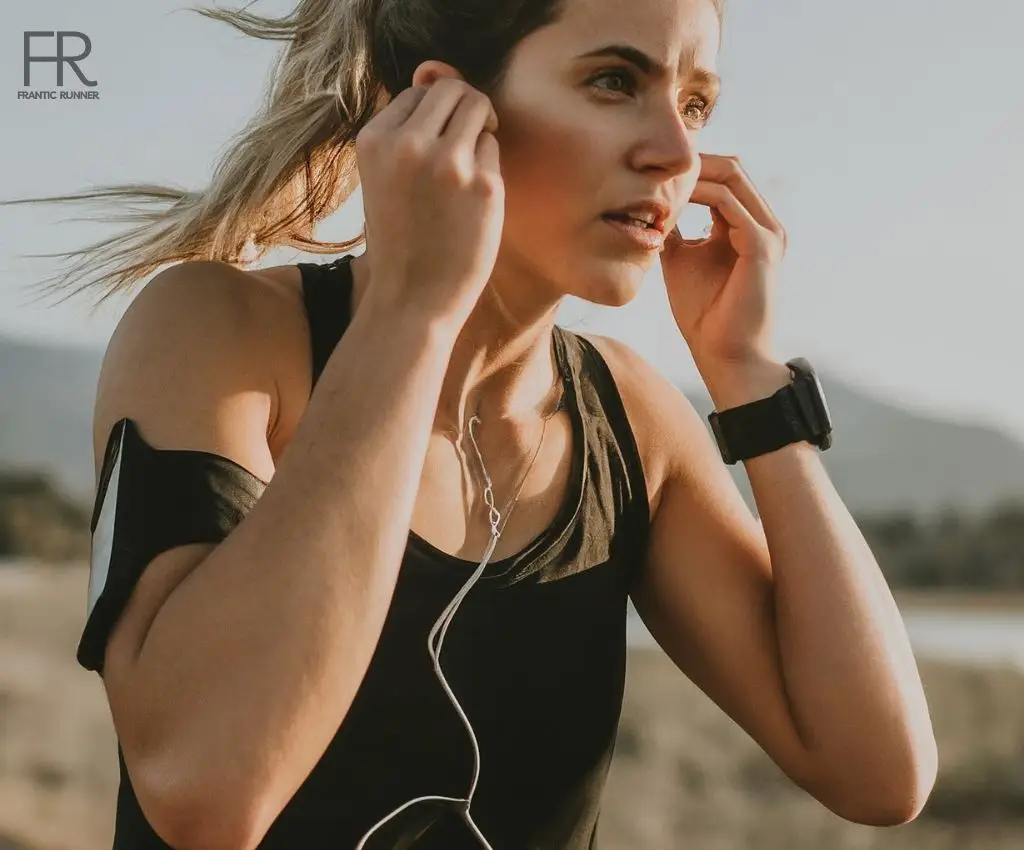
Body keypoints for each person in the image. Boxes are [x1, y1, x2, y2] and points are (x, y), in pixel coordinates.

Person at [10, 0, 937, 847]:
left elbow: (880, 770)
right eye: (615, 81)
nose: (675, 152)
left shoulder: (632, 423)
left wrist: (752, 380)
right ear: (446, 110)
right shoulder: (219, 334)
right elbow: (202, 789)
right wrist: (413, 311)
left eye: (695, 104)